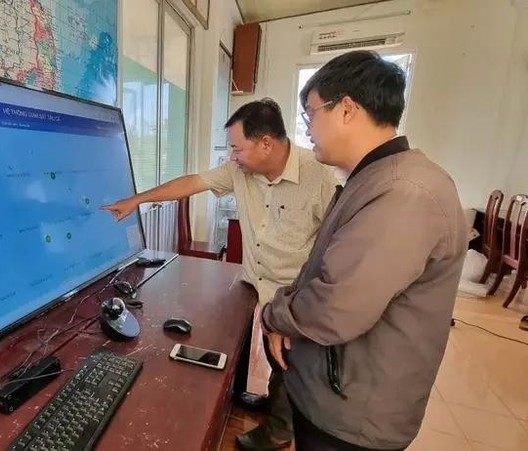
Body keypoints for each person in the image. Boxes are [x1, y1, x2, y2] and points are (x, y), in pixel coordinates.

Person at [260, 50, 467, 450]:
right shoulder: (376, 178)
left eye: (310, 115)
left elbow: (337, 303)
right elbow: (324, 268)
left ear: (347, 109)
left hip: (352, 415)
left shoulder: (403, 192)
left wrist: (275, 316)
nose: (308, 131)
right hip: (334, 391)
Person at [102, 98, 337, 450]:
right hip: (259, 284)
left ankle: (278, 430)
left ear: (266, 144)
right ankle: (260, 400)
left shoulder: (318, 176)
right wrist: (137, 199)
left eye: (236, 148)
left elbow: (334, 244)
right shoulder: (241, 171)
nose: (232, 156)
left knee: (292, 363)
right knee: (265, 350)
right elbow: (192, 183)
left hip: (296, 294)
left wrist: (309, 301)